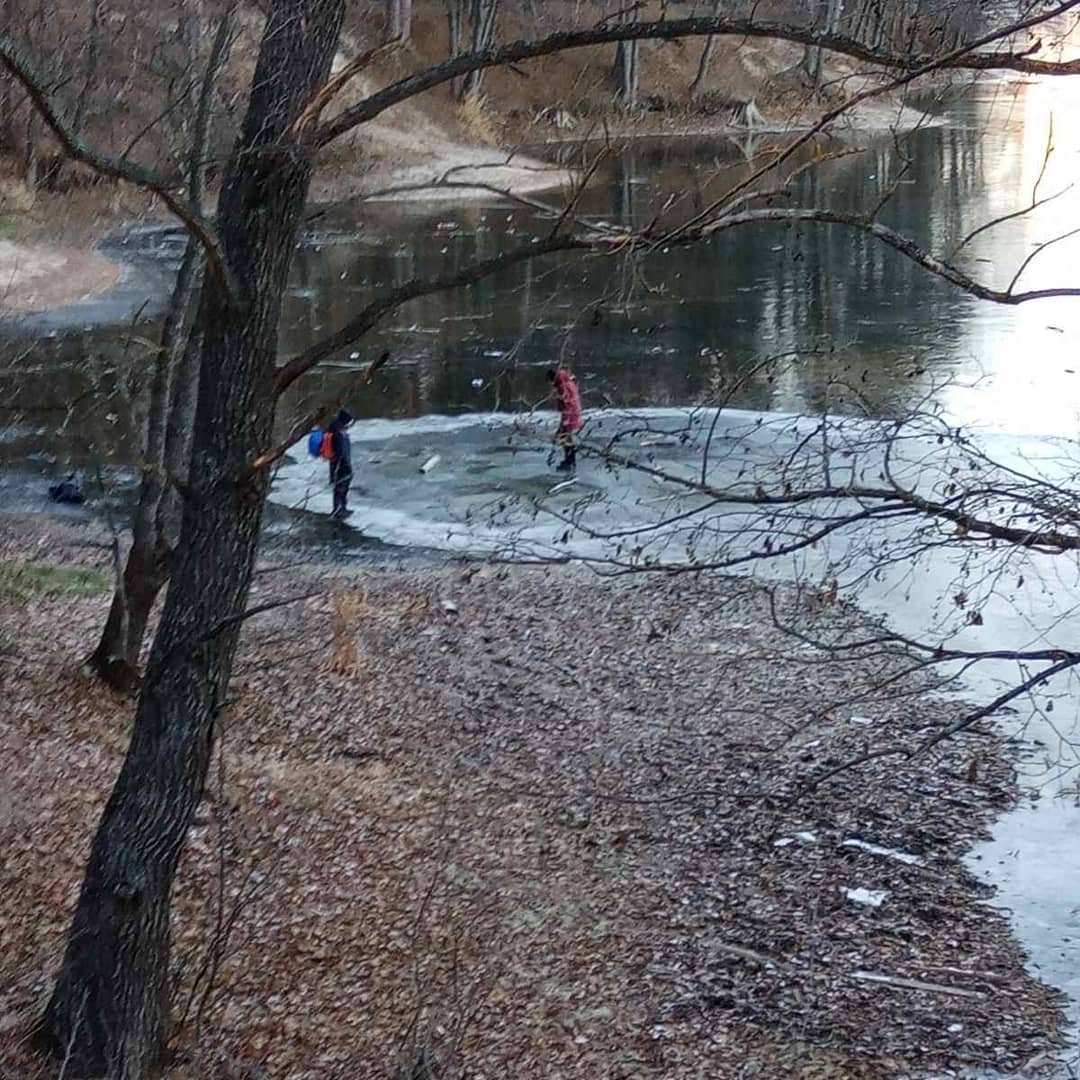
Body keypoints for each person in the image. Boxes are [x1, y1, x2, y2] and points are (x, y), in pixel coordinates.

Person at [547, 367, 582, 472]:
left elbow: (568, 404)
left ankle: (570, 461)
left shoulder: (563, 386)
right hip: (574, 412)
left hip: (570, 413)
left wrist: (564, 422)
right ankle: (569, 460)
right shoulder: (567, 382)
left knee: (565, 437)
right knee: (565, 436)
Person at [327, 409, 354, 519]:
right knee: (340, 486)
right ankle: (338, 509)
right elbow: (340, 450)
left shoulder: (338, 429)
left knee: (343, 485)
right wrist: (342, 463)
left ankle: (342, 508)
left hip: (341, 462)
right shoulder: (338, 432)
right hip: (341, 463)